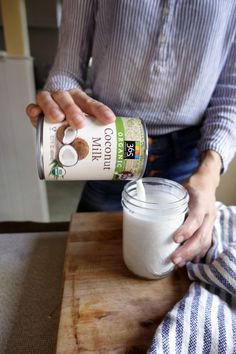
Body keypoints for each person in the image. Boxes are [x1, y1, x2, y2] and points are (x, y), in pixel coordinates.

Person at [26, 1, 236, 268]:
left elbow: (231, 92)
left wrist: (208, 175)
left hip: (189, 157)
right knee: (86, 263)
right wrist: (61, 102)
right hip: (108, 143)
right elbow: (67, 69)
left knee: (174, 267)